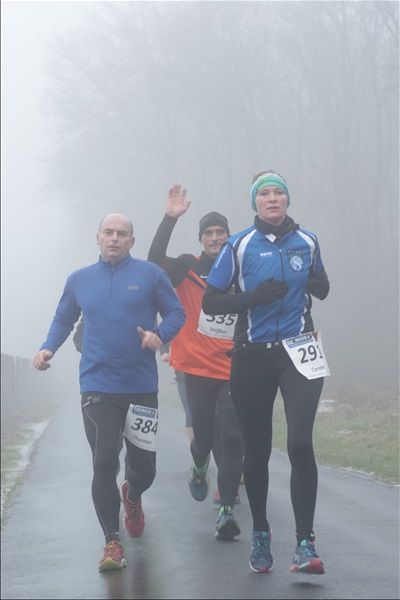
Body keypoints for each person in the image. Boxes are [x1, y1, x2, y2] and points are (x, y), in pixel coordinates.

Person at [33, 213, 185, 572]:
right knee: (103, 459)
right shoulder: (80, 279)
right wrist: (47, 348)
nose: (114, 238)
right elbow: (63, 318)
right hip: (97, 385)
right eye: (108, 232)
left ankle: (132, 493)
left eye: (122, 234)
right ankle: (112, 542)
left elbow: (176, 313)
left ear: (132, 241)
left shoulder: (150, 275)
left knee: (144, 469)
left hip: (141, 386)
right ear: (98, 237)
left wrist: (160, 336)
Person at [203, 171, 330, 574]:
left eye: (279, 193)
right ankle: (260, 531)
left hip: (299, 351)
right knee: (257, 450)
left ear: (287, 200)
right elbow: (210, 302)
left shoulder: (308, 240)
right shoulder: (239, 245)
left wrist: (319, 282)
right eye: (265, 194)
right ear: (255, 203)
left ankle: (305, 543)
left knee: (300, 444)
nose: (272, 199)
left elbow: (322, 286)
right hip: (252, 355)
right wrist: (251, 298)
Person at [148, 185, 245, 540]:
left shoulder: (241, 271)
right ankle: (200, 465)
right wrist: (169, 218)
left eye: (221, 232)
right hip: (196, 368)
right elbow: (154, 261)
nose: (215, 237)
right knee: (203, 436)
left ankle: (226, 511)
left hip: (235, 368)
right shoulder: (187, 267)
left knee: (232, 438)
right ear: (202, 239)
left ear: (229, 237)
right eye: (209, 233)